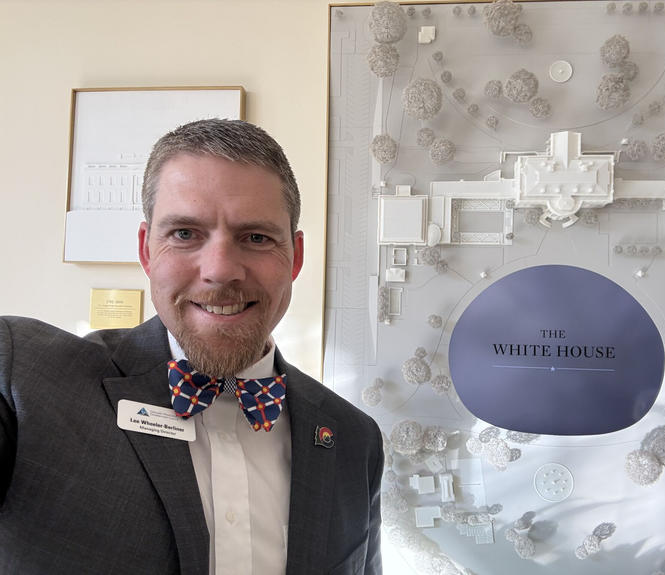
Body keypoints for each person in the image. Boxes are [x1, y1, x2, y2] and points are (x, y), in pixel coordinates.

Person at [0, 119, 383, 575]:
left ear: (295, 258)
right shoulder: (25, 378)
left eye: (256, 237)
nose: (220, 271)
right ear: (146, 251)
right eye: (184, 234)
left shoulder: (354, 440)